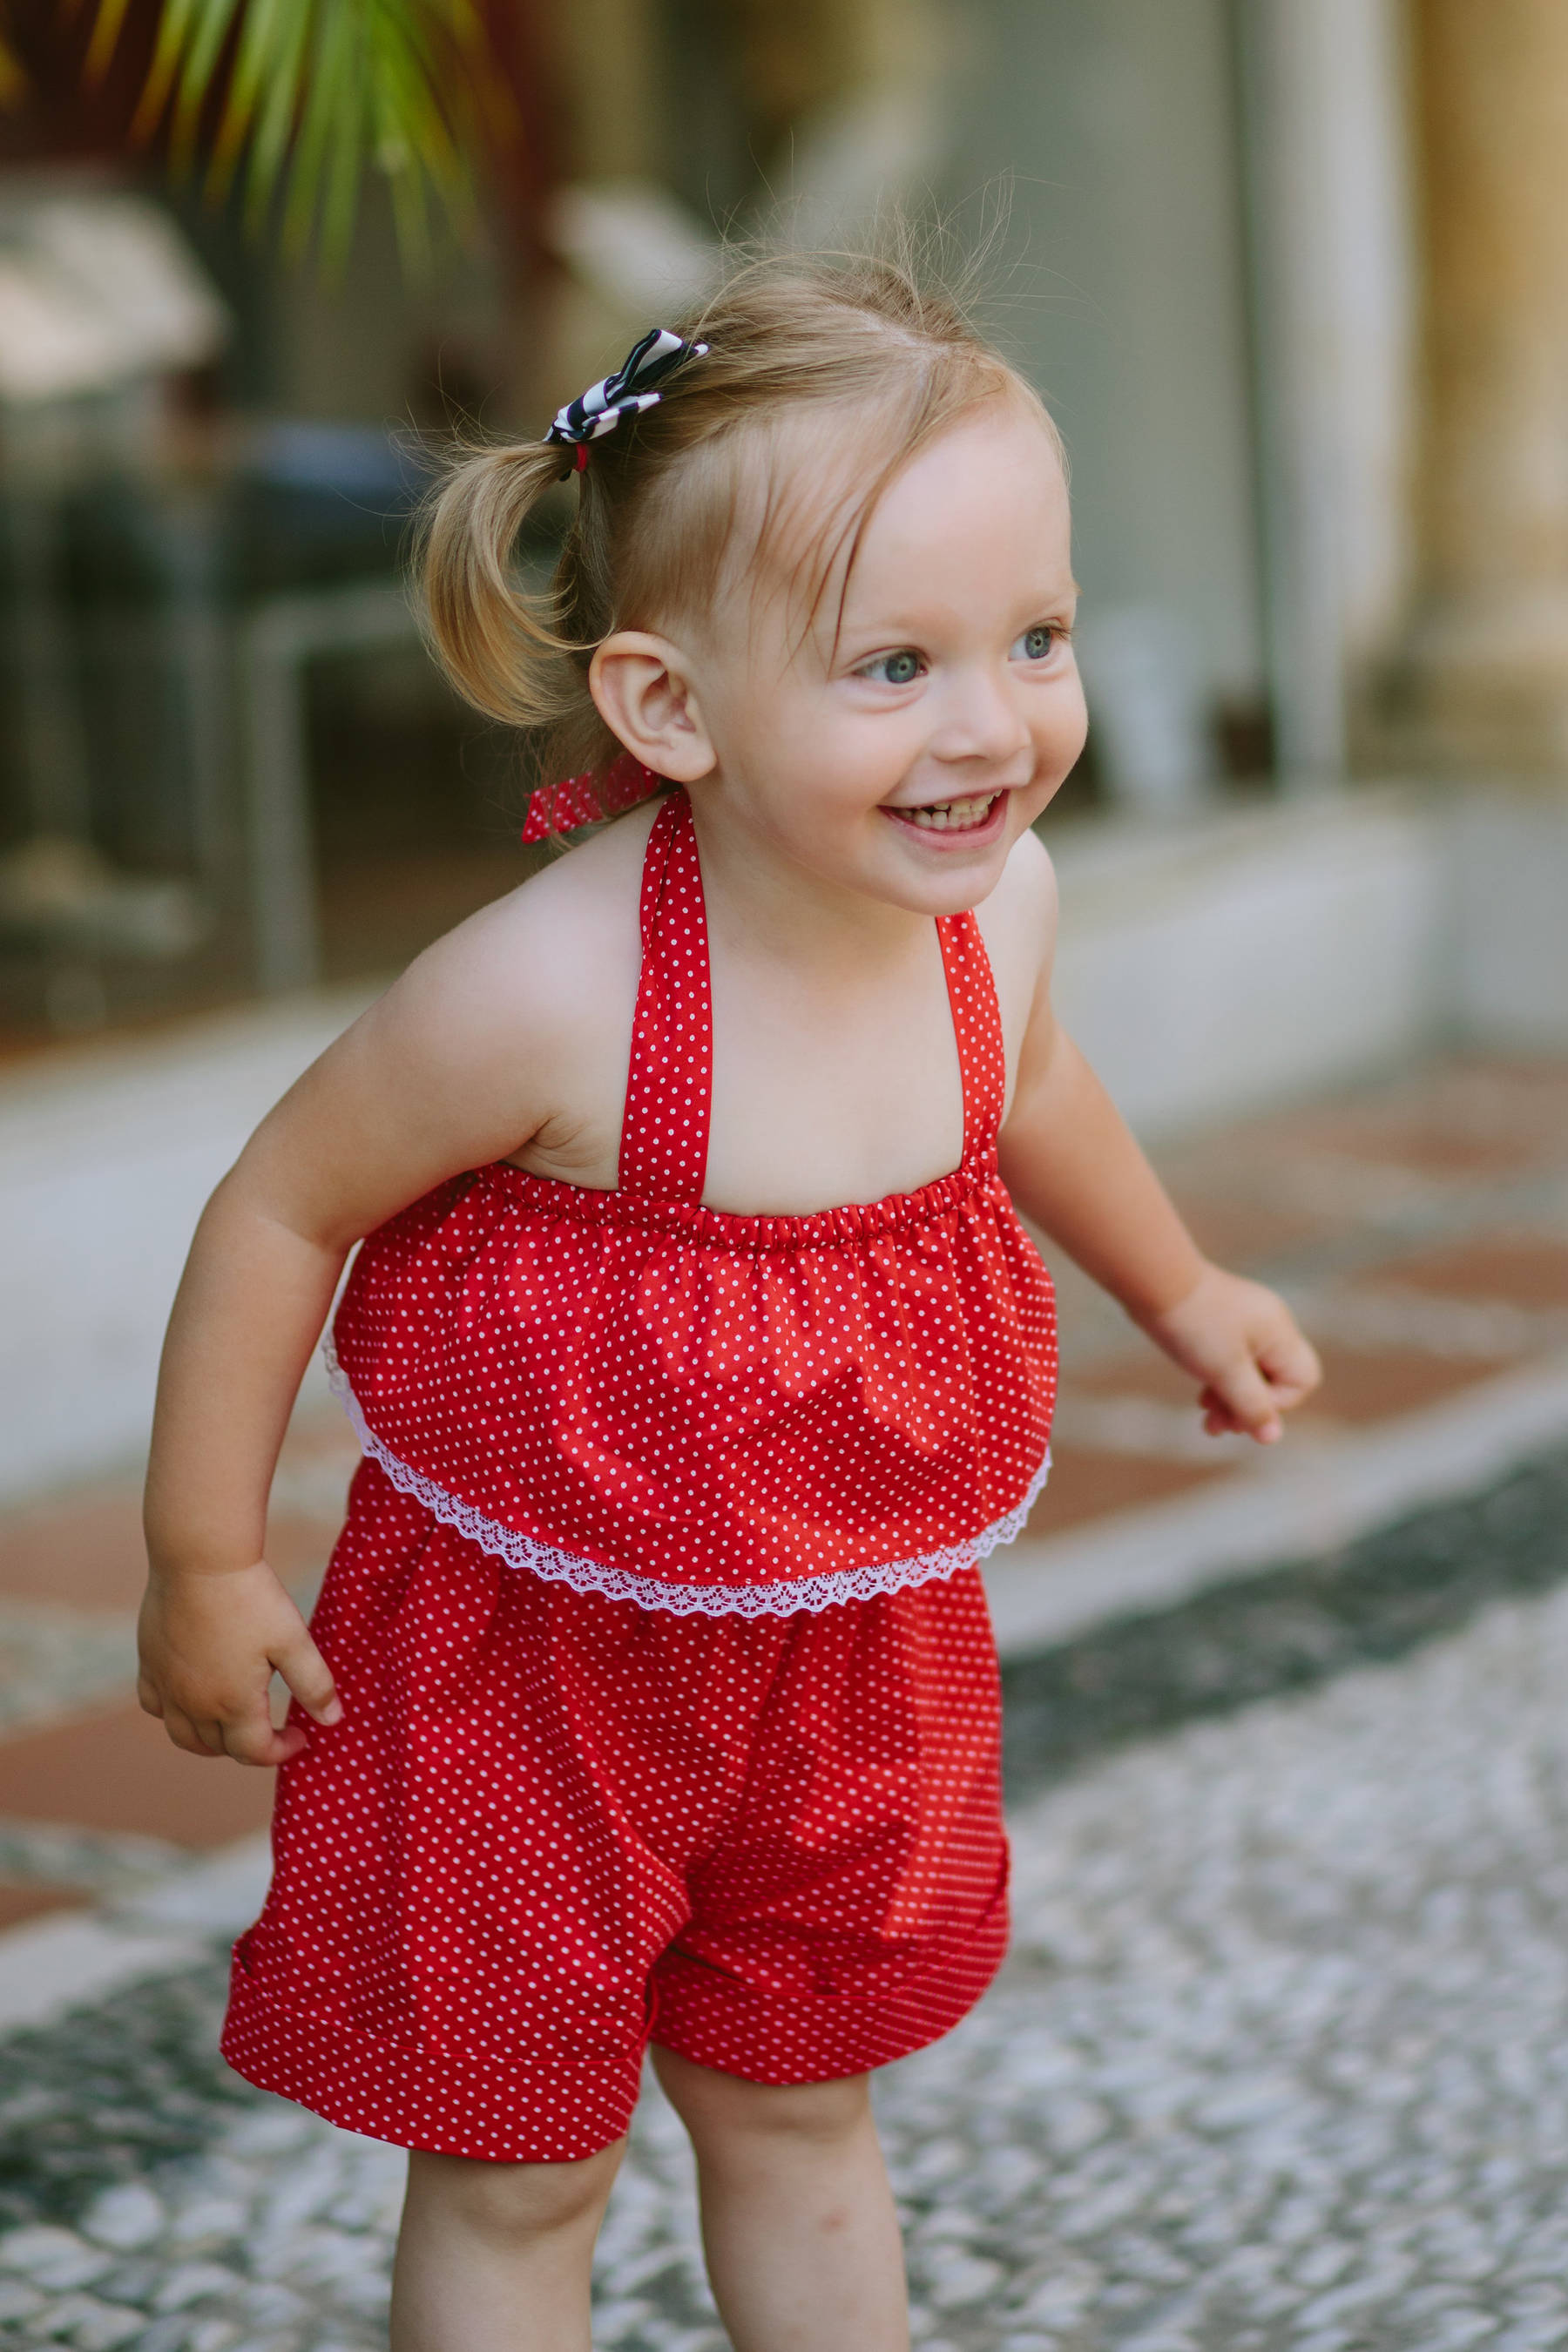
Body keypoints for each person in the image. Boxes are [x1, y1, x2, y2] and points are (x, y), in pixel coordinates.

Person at [139, 252, 1321, 2352]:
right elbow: (275, 1207)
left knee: (800, 2110)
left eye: (1032, 639)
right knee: (524, 2165)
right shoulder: (548, 992)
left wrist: (1182, 1280)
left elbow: (1034, 1091)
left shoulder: (999, 912)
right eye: (895, 668)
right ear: (666, 706)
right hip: (531, 1666)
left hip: (848, 1646)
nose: (995, 726)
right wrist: (202, 1557)